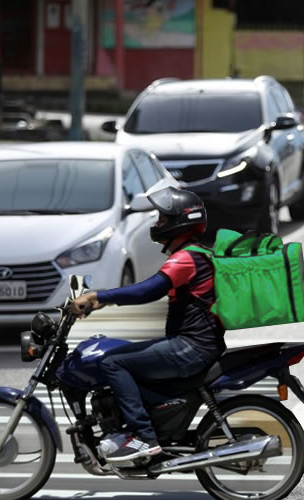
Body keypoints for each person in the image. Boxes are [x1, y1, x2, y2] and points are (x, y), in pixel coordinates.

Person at [70, 186, 225, 462]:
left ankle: (143, 437)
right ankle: (150, 422)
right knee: (127, 360)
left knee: (112, 362)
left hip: (191, 347)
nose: (157, 224)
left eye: (163, 219)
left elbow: (148, 291)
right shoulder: (193, 254)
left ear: (180, 222)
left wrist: (99, 297)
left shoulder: (186, 258)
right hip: (196, 344)